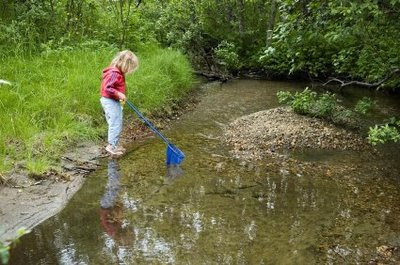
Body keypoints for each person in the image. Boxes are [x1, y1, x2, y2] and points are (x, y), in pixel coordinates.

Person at [100, 50, 139, 156]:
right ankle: (111, 146)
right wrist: (119, 94)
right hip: (110, 101)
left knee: (116, 122)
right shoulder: (114, 73)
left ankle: (114, 144)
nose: (128, 71)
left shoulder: (119, 72)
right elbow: (107, 88)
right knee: (115, 123)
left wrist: (120, 99)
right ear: (124, 64)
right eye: (129, 68)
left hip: (114, 100)